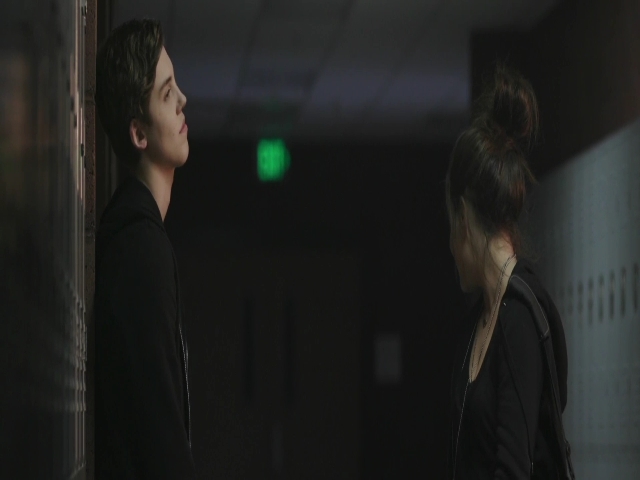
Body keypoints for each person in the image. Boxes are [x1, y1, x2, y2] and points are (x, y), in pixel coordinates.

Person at [445, 65, 568, 479]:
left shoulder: (518, 319)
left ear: (464, 219)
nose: (451, 246)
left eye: (450, 225)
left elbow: (513, 469)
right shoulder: (480, 319)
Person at [93, 18, 196, 479]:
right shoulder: (140, 248)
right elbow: (158, 429)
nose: (183, 100)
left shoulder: (138, 234)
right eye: (167, 93)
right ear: (139, 134)